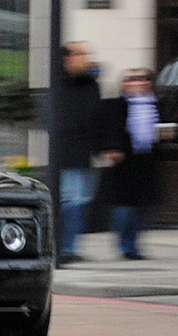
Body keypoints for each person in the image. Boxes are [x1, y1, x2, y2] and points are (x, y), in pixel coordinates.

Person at [97, 68, 170, 260]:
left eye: (140, 78)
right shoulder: (115, 104)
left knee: (139, 208)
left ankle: (134, 246)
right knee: (124, 208)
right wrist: (111, 148)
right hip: (123, 162)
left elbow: (163, 128)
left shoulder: (157, 104)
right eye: (130, 79)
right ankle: (124, 245)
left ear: (148, 82)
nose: (135, 82)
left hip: (146, 161)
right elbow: (108, 129)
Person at [49, 41, 110, 266]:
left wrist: (101, 146)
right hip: (67, 153)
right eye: (80, 54)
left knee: (82, 202)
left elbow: (98, 117)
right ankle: (64, 249)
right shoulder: (61, 83)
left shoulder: (91, 84)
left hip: (85, 153)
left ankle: (70, 247)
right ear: (67, 59)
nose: (85, 58)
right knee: (72, 202)